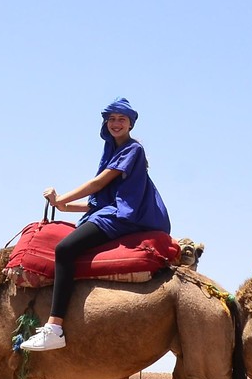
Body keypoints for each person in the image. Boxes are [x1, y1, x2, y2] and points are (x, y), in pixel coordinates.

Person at [20, 98, 171, 352]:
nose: (115, 123)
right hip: (112, 211)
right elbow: (101, 201)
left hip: (125, 217)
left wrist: (63, 198)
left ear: (131, 123)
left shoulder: (133, 149)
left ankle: (55, 327)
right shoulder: (111, 150)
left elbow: (99, 184)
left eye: (121, 119)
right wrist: (64, 207)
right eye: (111, 119)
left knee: (64, 250)